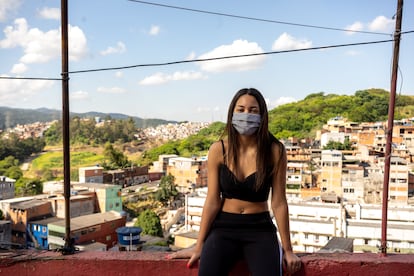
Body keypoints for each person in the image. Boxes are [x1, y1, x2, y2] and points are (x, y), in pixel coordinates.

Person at [169, 88, 301, 275]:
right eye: (241, 109)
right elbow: (212, 200)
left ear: (262, 116)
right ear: (232, 113)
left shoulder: (275, 151)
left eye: (253, 110)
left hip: (260, 229)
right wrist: (199, 246)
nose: (246, 115)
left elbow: (279, 202)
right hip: (223, 228)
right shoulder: (218, 149)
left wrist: (288, 250)